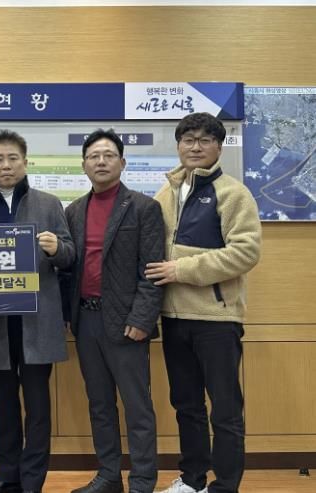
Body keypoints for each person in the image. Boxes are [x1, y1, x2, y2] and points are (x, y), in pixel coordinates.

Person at [145, 113, 262, 493]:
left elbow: (245, 253)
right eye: (188, 139)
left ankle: (225, 485)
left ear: (218, 146)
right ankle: (192, 480)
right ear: (178, 145)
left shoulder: (234, 193)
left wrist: (181, 268)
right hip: (173, 317)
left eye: (205, 140)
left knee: (225, 410)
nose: (195, 147)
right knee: (186, 406)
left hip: (217, 319)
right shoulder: (165, 193)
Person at [0, 130, 75, 493]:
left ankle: (32, 481)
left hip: (36, 322)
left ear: (25, 162)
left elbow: (70, 257)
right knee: (4, 405)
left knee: (38, 408)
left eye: (13, 158)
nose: (6, 165)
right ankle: (7, 474)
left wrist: (57, 248)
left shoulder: (49, 204)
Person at [61, 130, 164, 493]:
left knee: (137, 407)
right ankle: (108, 476)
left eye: (108, 155)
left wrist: (142, 319)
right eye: (94, 156)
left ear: (123, 162)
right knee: (100, 404)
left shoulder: (144, 208)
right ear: (84, 165)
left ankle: (142, 482)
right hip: (86, 320)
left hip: (126, 323)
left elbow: (152, 270)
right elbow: (69, 269)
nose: (101, 161)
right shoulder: (74, 211)